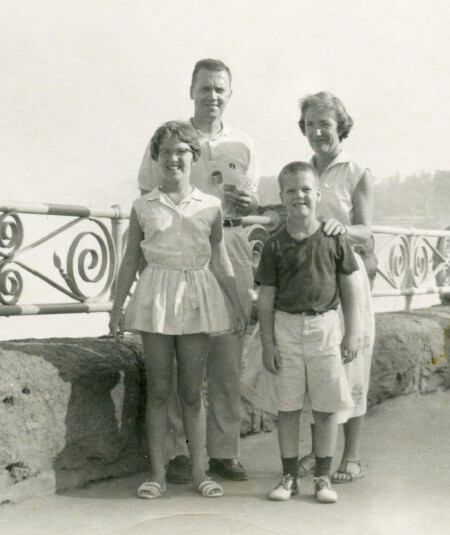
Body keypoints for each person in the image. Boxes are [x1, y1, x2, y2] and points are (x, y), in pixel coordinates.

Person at [136, 59, 258, 483]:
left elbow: (251, 201)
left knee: (227, 354)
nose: (213, 96)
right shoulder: (173, 137)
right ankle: (174, 453)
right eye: (205, 88)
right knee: (174, 351)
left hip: (228, 247)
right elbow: (146, 195)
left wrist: (248, 206)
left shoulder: (243, 144)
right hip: (179, 258)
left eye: (220, 89)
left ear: (230, 93)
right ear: (191, 90)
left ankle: (224, 451)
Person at [111, 121, 248, 499]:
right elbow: (128, 262)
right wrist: (116, 308)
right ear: (156, 159)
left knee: (191, 392)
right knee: (158, 390)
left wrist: (237, 305)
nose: (174, 158)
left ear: (194, 157)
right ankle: (156, 474)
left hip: (197, 298)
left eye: (181, 152)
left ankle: (200, 473)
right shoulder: (143, 206)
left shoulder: (211, 206)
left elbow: (221, 261)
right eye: (166, 152)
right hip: (155, 295)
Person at [256, 161, 361, 504]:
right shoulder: (273, 245)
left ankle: (322, 477)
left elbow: (349, 289)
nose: (298, 195)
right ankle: (288, 476)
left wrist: (352, 332)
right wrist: (267, 343)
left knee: (326, 406)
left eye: (305, 189)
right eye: (290, 190)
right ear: (281, 197)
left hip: (325, 329)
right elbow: (267, 297)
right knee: (286, 406)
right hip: (285, 328)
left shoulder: (335, 238)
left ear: (318, 193)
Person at [295, 92, 375, 484]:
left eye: (324, 124)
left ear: (340, 126)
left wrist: (343, 229)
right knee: (317, 363)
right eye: (310, 125)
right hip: (311, 276)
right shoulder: (302, 171)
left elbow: (367, 231)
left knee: (351, 361)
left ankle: (352, 455)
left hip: (346, 275)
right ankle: (317, 451)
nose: (317, 132)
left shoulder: (356, 170)